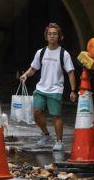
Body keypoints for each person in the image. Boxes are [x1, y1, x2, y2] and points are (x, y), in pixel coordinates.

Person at [19, 23, 77, 152]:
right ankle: (46, 135)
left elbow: (70, 72)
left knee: (56, 115)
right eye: (49, 34)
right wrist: (25, 75)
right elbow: (34, 68)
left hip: (55, 89)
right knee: (36, 112)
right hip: (41, 88)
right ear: (46, 36)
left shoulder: (64, 54)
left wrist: (73, 90)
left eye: (54, 34)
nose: (52, 36)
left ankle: (59, 142)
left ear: (59, 36)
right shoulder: (41, 52)